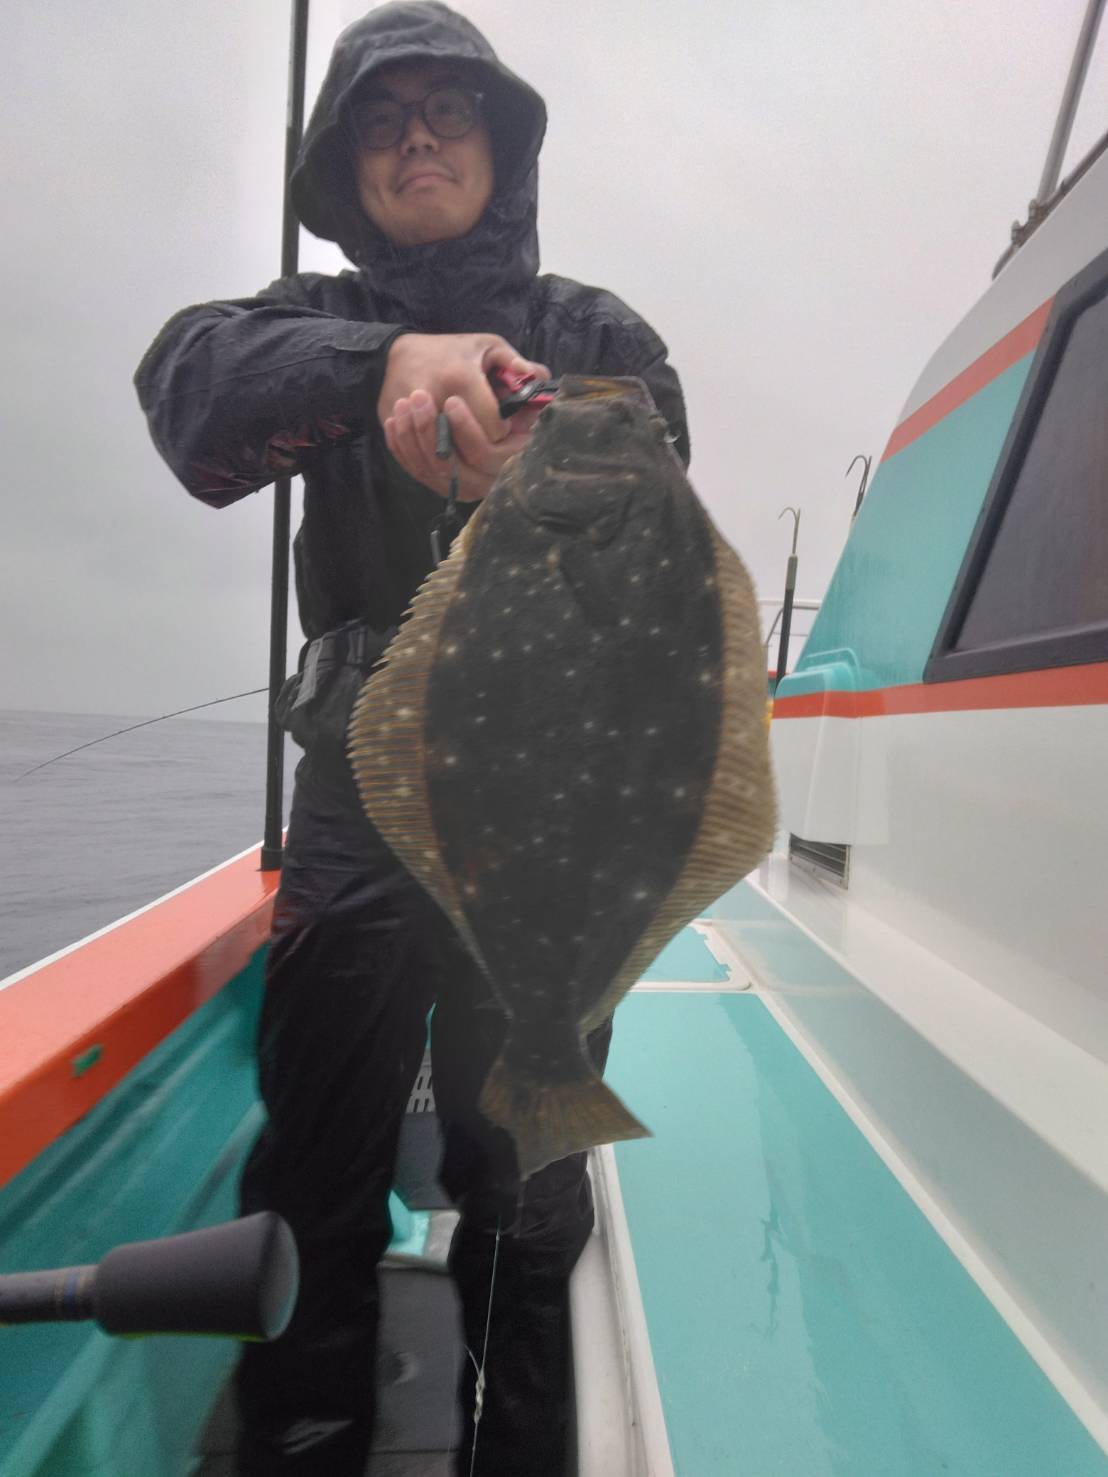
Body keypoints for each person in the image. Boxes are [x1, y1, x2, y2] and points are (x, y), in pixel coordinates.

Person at [135, 3, 689, 1473]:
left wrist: (540, 430)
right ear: (345, 166)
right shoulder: (296, 325)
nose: (419, 137)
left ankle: (519, 1441)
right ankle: (305, 1435)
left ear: (501, 147)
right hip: (358, 805)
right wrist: (370, 367)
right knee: (315, 1149)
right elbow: (188, 390)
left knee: (531, 1172)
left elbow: (657, 484)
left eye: (450, 111)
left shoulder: (593, 334)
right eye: (384, 119)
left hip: (546, 806)